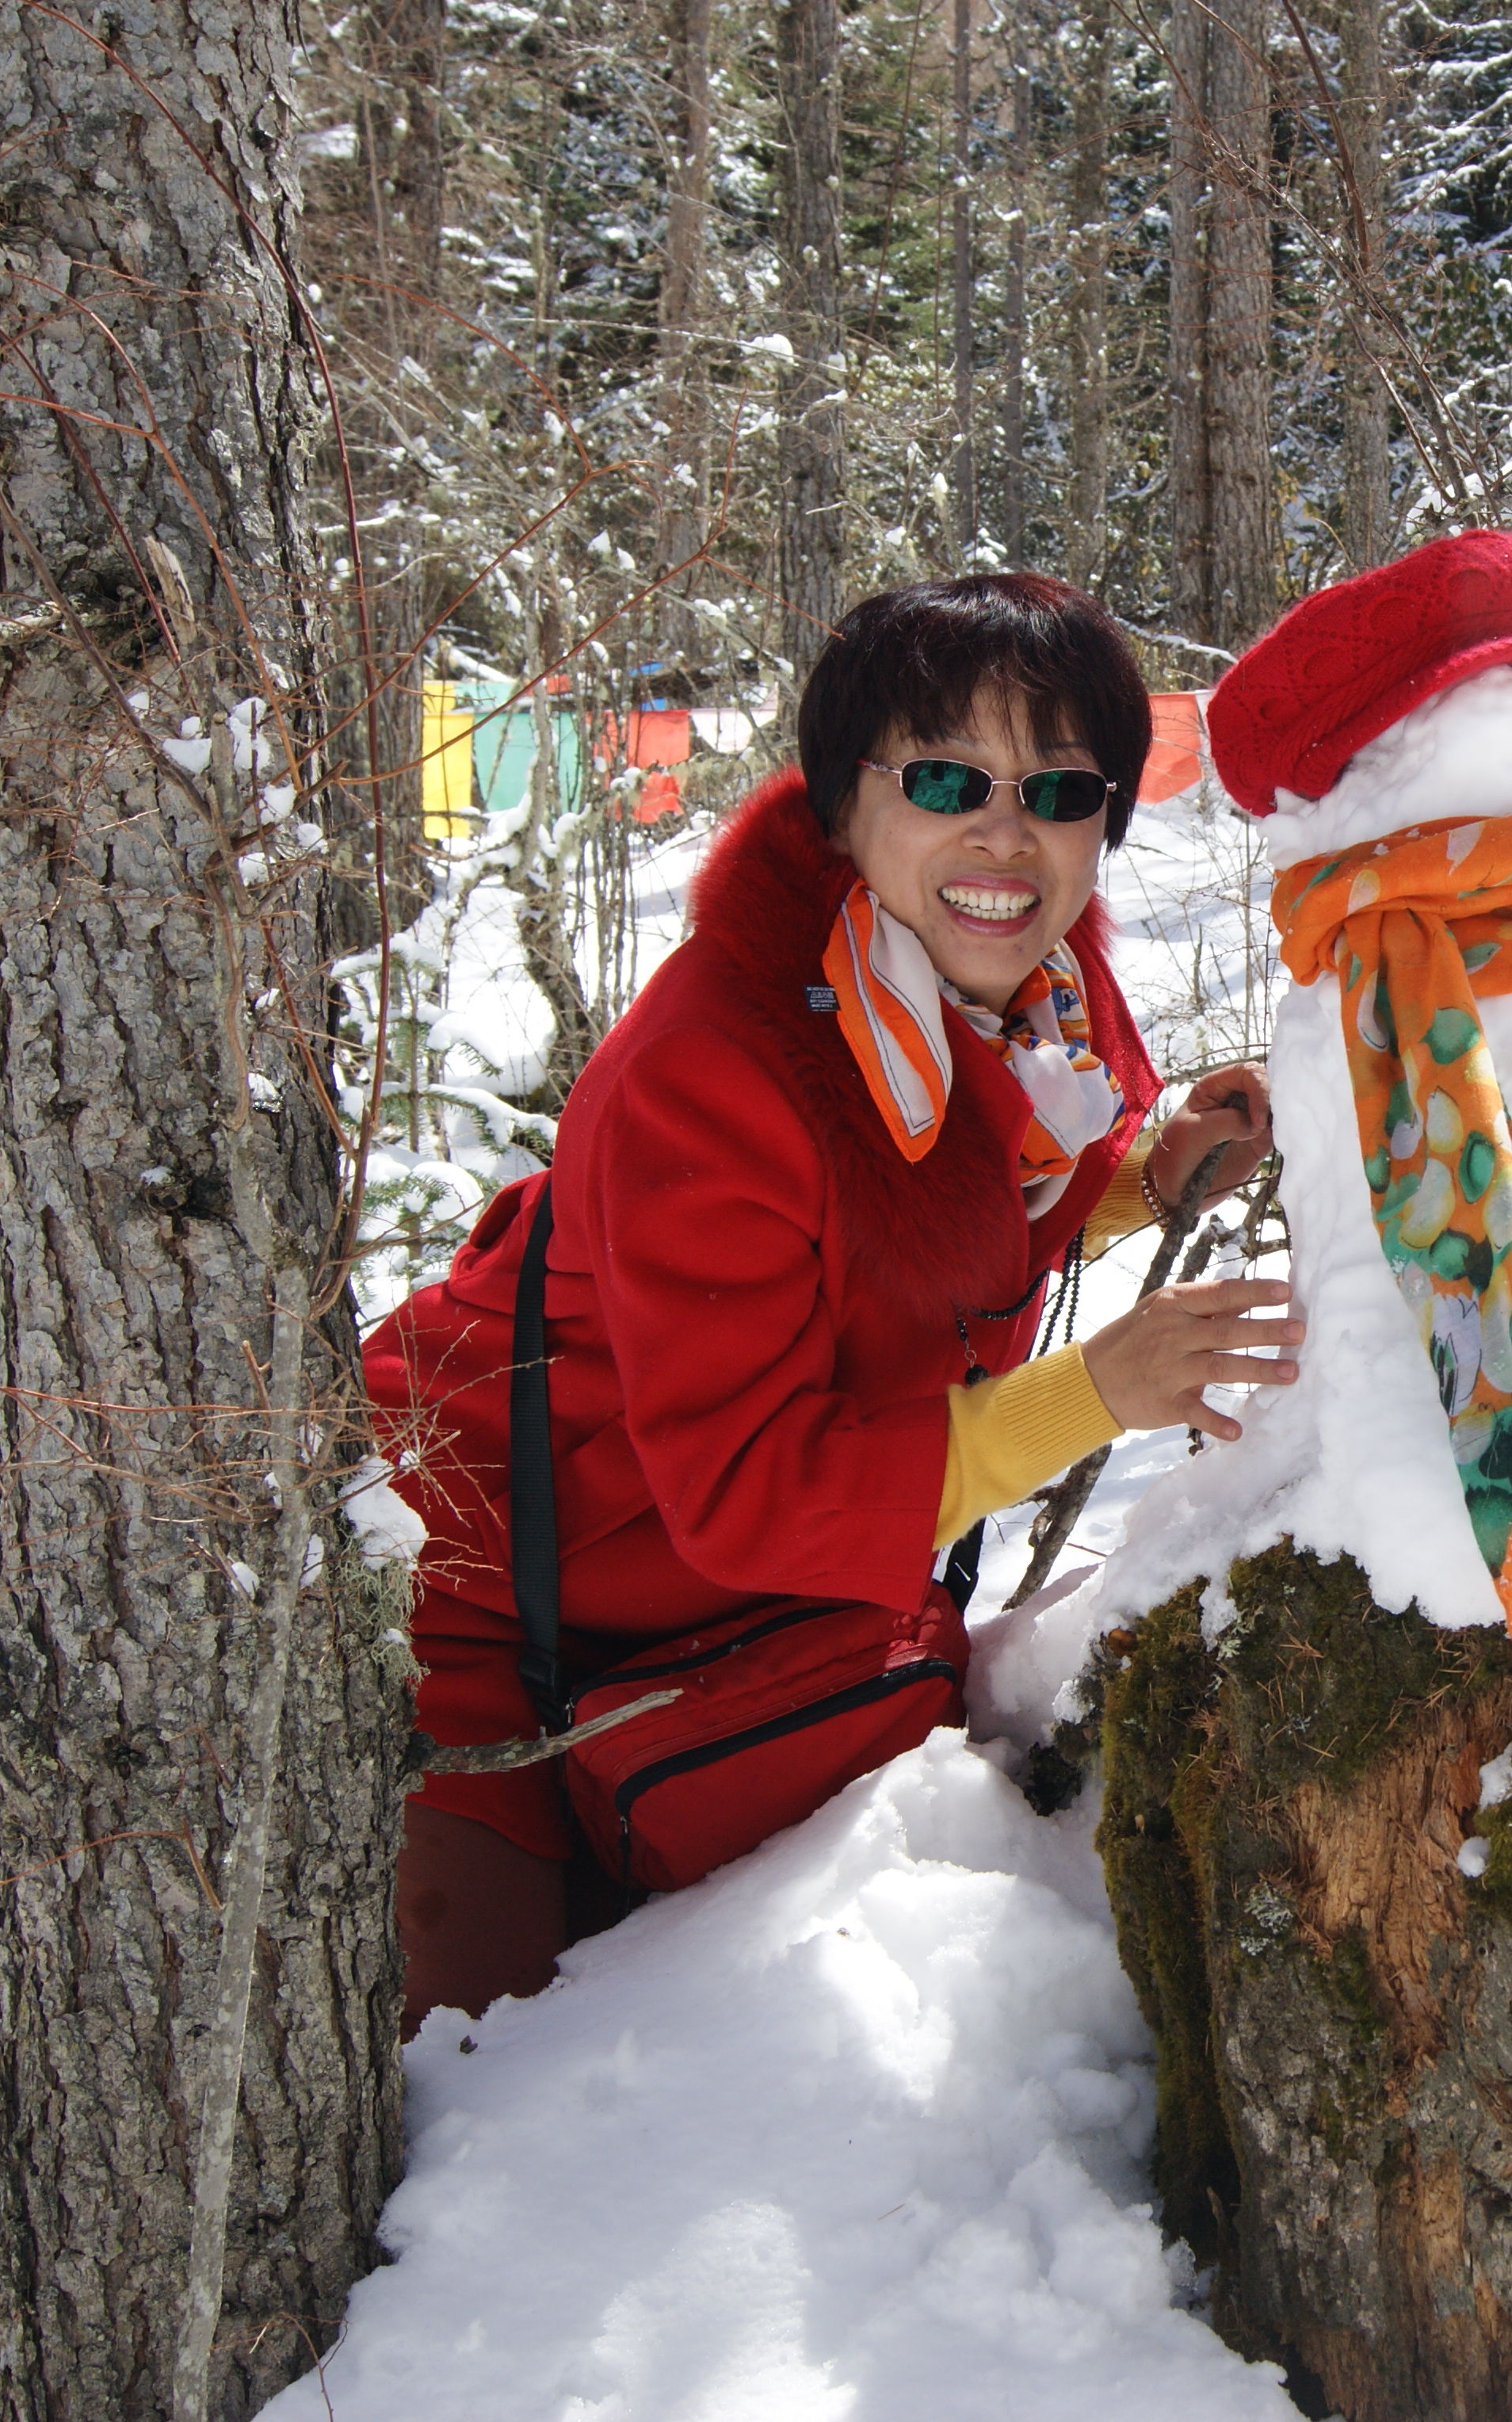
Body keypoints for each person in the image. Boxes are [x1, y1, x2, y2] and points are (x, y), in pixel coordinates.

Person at [366, 573, 1296, 2027]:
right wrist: (1094, 1394)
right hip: (484, 1593)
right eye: (944, 779)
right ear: (837, 806)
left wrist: (1143, 1178)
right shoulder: (719, 1073)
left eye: (1057, 788)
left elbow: (958, 1225)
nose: (1005, 833)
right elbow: (745, 1486)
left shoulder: (1031, 998)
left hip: (729, 1609)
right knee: (465, 2098)